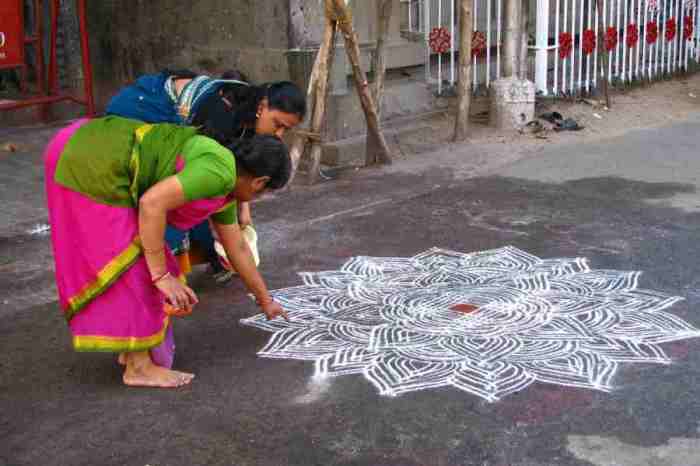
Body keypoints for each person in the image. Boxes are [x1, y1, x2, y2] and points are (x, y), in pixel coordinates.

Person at [45, 115, 290, 388]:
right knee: (141, 267)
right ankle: (139, 367)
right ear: (259, 182)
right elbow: (152, 204)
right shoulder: (218, 172)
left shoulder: (226, 184)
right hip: (90, 157)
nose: (256, 199)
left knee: (145, 261)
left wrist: (265, 300)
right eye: (262, 193)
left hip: (89, 147)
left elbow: (238, 248)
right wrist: (161, 275)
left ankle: (132, 349)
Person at [105, 71, 305, 278]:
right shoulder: (221, 116)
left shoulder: (250, 126)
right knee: (174, 206)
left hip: (182, 143)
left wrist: (244, 211)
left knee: (203, 204)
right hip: (139, 116)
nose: (279, 134)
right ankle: (143, 273)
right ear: (262, 106)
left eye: (286, 130)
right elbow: (206, 184)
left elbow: (243, 171)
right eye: (278, 124)